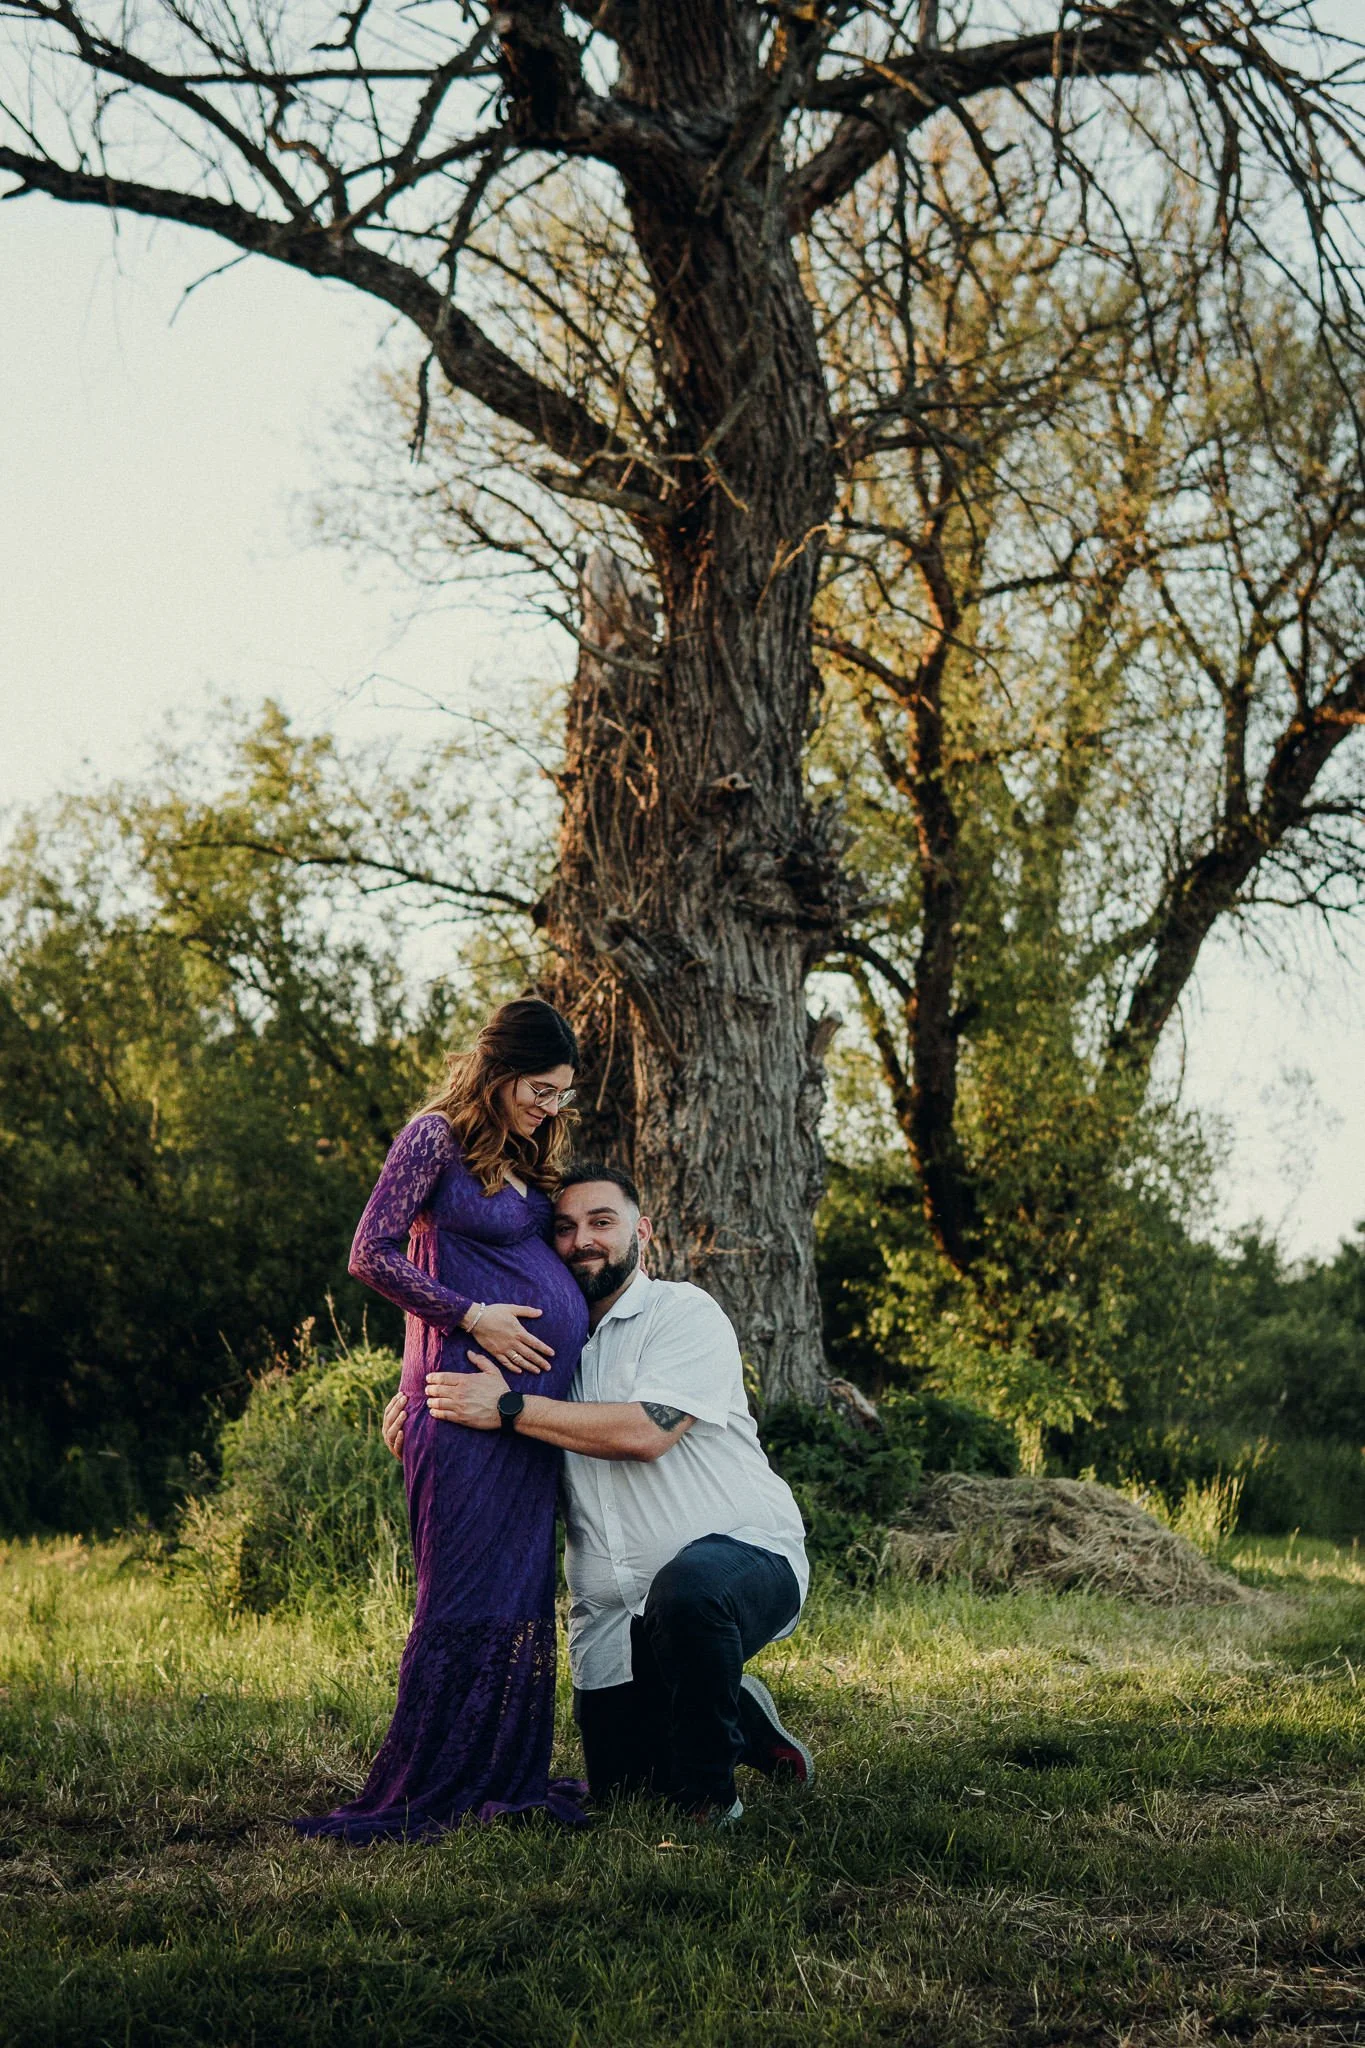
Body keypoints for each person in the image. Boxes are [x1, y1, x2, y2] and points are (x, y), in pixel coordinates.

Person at [384, 1165, 813, 1824]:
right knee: (625, 1792)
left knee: (689, 1596)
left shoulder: (680, 1312)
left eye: (601, 1223)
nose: (582, 1240)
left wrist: (502, 1406)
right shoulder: (539, 1346)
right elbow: (492, 1452)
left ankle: (711, 1802)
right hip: (611, 1610)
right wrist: (426, 1429)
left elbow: (646, 1432)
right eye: (564, 1228)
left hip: (742, 1560)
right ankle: (740, 1716)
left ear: (642, 1231)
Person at [295, 998, 590, 1841]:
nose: (550, 1106)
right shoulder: (433, 1137)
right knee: (460, 1596)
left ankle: (503, 1773)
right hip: (459, 1409)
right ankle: (437, 1781)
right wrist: (470, 1319)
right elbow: (371, 1252)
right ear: (498, 1072)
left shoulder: (529, 1150)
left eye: (562, 1094)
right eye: (540, 1088)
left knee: (521, 1597)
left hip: (524, 1421)